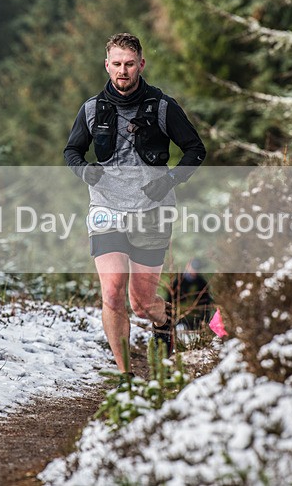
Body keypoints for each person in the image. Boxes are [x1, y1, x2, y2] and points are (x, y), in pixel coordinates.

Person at [64, 33, 206, 373]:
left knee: (141, 303)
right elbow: (71, 151)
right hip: (106, 209)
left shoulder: (162, 106)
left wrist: (169, 180)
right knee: (112, 292)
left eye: (129, 64)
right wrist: (85, 172)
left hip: (152, 212)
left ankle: (164, 323)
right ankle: (125, 375)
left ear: (141, 64)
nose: (123, 71)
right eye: (116, 64)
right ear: (107, 65)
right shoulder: (92, 108)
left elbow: (195, 150)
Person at [166, 257, 214, 330]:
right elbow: (169, 300)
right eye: (193, 267)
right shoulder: (177, 281)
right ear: (188, 265)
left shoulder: (202, 283)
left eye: (197, 269)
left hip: (195, 320)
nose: (194, 271)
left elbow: (206, 304)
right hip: (178, 318)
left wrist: (204, 321)